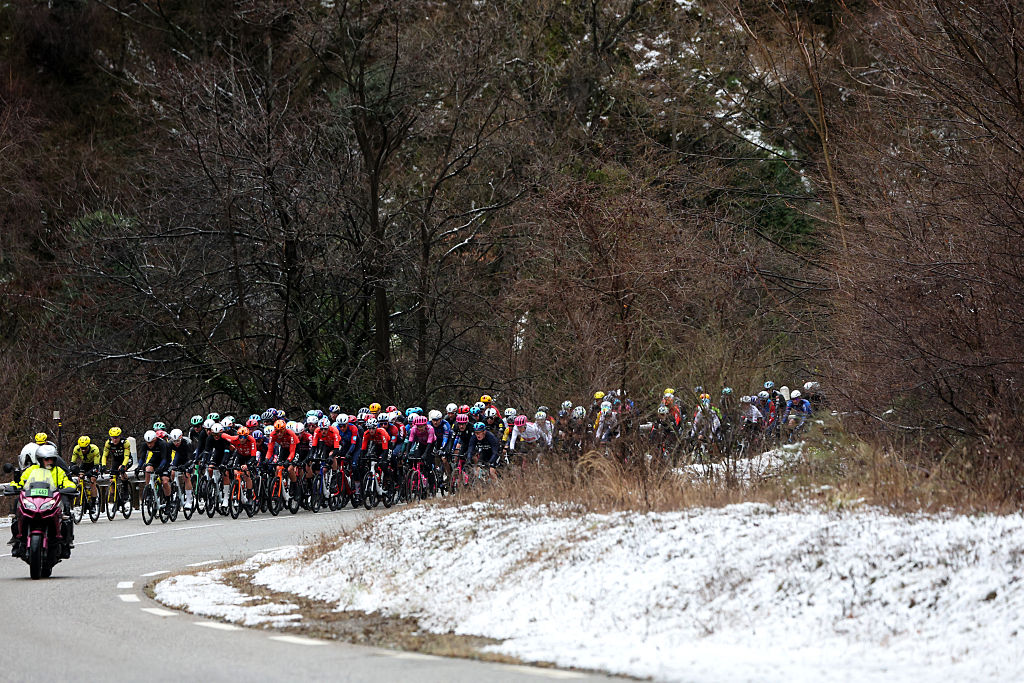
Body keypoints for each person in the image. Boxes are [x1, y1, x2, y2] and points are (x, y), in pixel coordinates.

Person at [7, 444, 76, 559]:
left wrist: (69, 487)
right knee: (17, 509)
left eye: (52, 459)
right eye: (46, 459)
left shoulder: (59, 471)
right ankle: (17, 541)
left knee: (66, 512)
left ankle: (66, 542)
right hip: (34, 499)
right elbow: (21, 481)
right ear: (40, 459)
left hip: (52, 499)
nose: (49, 461)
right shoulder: (31, 470)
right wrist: (14, 486)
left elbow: (67, 482)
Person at [70, 435, 102, 509]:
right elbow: (72, 462)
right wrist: (72, 469)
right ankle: (84, 497)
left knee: (92, 480)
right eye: (82, 448)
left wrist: (89, 473)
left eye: (85, 448)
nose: (83, 450)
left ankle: (93, 504)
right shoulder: (76, 449)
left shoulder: (94, 449)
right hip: (84, 464)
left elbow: (96, 465)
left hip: (94, 465)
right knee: (80, 479)